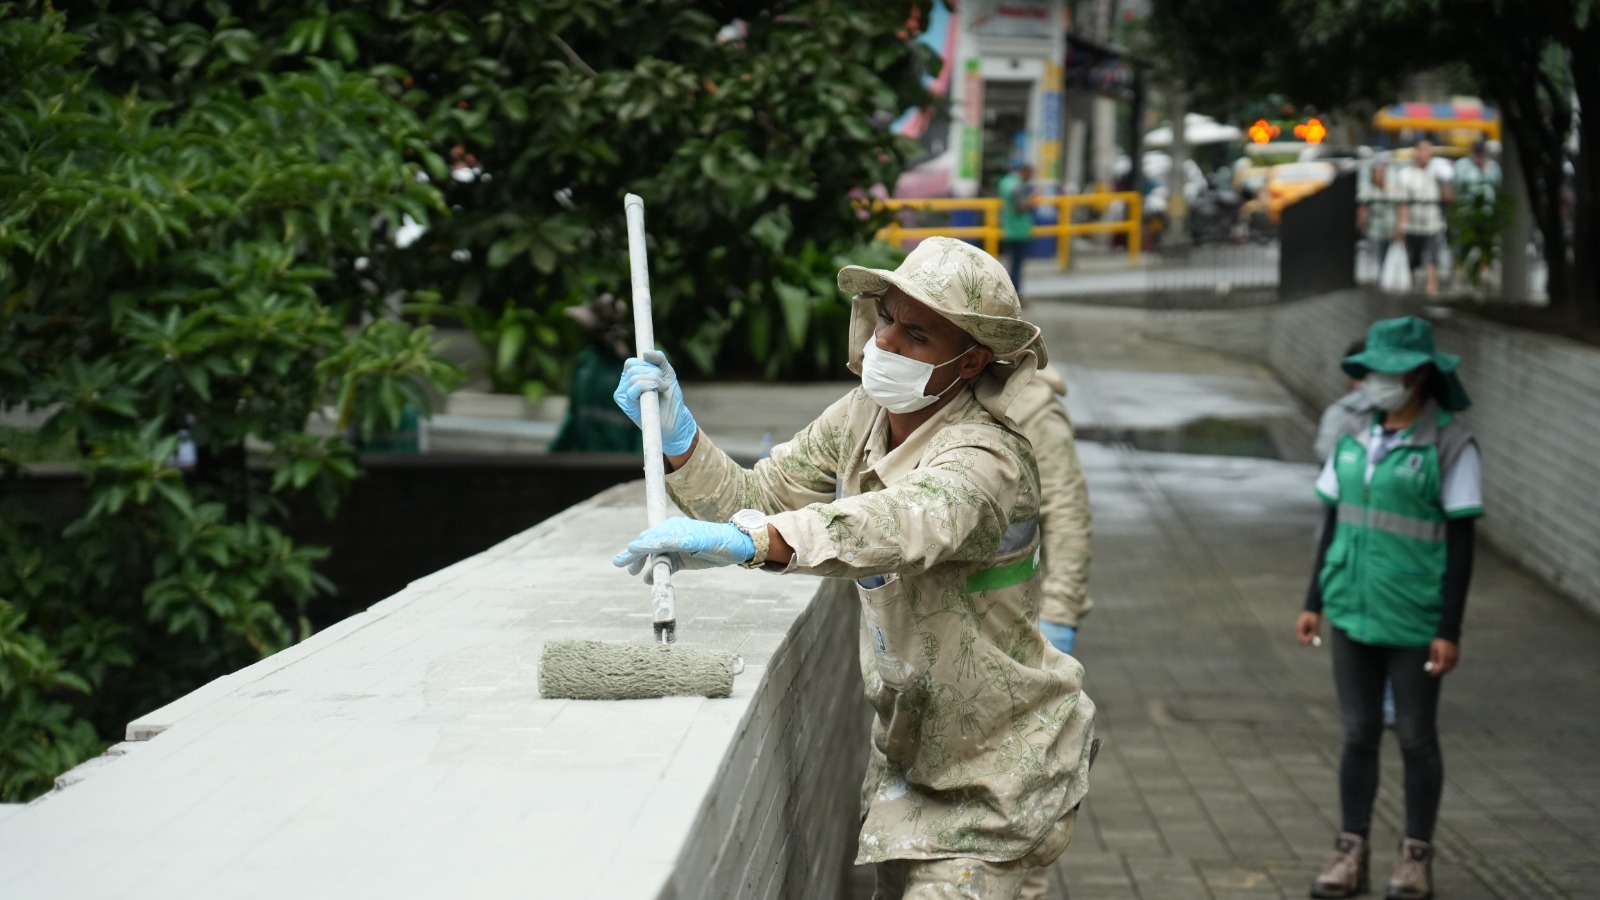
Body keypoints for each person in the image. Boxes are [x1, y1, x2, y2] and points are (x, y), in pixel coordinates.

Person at [612, 237, 1096, 899]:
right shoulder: (863, 414)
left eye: (916, 335)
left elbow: (898, 523)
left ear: (971, 360)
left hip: (1000, 777)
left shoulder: (987, 456)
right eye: (887, 318)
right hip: (911, 764)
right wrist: (679, 439)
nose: (885, 342)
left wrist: (757, 542)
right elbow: (758, 497)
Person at [1297, 316, 1482, 900]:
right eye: (1372, 369)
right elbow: (1334, 520)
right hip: (1351, 609)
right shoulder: (1353, 433)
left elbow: (1462, 543)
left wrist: (1449, 628)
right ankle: (1349, 852)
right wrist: (1314, 601)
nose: (1377, 380)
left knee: (1416, 738)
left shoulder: (1450, 444)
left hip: (1415, 618)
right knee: (1357, 733)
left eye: (1389, 370)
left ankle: (1415, 858)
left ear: (1420, 374)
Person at [1008, 364, 1093, 900]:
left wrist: (1058, 617)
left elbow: (1067, 513)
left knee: (1023, 798)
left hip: (1024, 635)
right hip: (940, 647)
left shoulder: (1036, 411)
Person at [1394, 141, 1450, 295]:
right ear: (1416, 152)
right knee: (1414, 260)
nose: (1427, 154)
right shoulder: (1406, 175)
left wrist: (1446, 180)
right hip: (1413, 226)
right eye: (1424, 150)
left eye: (1430, 151)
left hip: (1434, 224)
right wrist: (1401, 225)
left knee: (1434, 258)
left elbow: (1448, 196)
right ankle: (1412, 290)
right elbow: (1402, 203)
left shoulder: (1436, 173)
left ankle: (1432, 289)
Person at [998, 162, 1036, 301]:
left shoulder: (1004, 182)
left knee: (1010, 263)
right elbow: (1019, 207)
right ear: (1024, 171)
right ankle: (1015, 296)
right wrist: (1032, 199)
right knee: (1016, 266)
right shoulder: (1018, 185)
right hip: (1019, 230)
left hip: (1007, 228)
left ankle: (1008, 294)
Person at [1356, 161, 1400, 284]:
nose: (1381, 175)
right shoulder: (1368, 191)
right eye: (1378, 172)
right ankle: (1377, 283)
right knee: (1376, 258)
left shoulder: (1390, 188)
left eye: (1383, 172)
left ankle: (1384, 281)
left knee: (1387, 259)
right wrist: (1360, 226)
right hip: (1375, 231)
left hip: (1390, 231)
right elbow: (1363, 211)